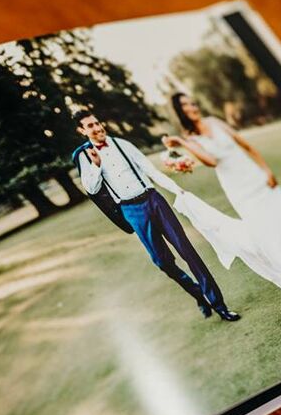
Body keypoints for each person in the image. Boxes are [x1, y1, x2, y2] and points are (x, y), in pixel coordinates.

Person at [164, 93, 281, 320]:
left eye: (192, 102)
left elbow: (245, 145)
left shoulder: (214, 122)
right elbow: (211, 161)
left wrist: (266, 170)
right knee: (275, 244)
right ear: (180, 111)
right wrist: (183, 144)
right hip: (240, 192)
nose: (192, 106)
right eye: (185, 105)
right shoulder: (190, 138)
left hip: (256, 178)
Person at [73, 109, 240, 321]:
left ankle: (219, 304)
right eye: (90, 126)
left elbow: (151, 171)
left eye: (97, 123)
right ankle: (198, 293)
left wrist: (176, 189)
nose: (97, 128)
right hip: (130, 210)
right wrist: (96, 165)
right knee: (163, 262)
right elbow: (92, 188)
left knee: (187, 250)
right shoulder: (84, 156)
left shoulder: (123, 145)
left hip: (153, 200)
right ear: (82, 130)